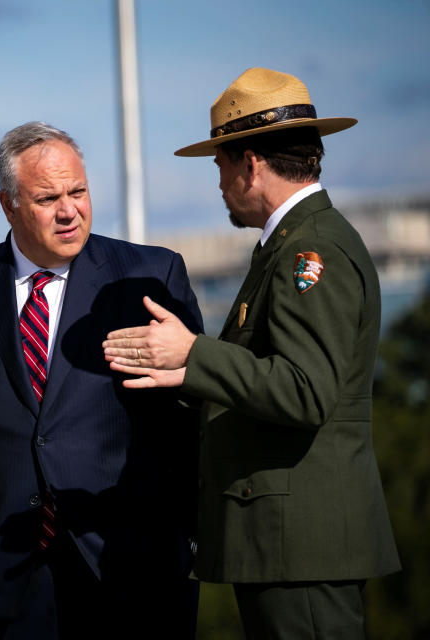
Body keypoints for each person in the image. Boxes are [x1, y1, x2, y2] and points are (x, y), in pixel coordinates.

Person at [103, 68, 401, 638]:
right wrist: (188, 373)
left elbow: (305, 391)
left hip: (301, 548)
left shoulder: (311, 251)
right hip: (287, 544)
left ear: (249, 163)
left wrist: (194, 354)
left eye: (220, 163)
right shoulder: (293, 245)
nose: (218, 182)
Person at [0, 121, 204, 638]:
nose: (69, 211)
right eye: (48, 198)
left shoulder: (151, 277)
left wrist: (188, 540)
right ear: (8, 205)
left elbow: (194, 427)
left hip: (132, 570)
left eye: (79, 191)